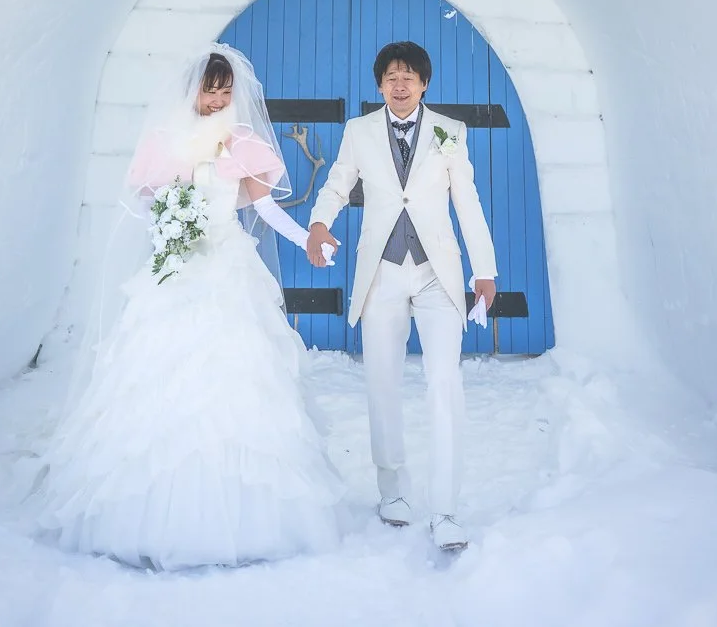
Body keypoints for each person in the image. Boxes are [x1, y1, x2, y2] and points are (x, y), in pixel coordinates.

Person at [34, 45, 343, 568]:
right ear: (193, 90)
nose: (217, 98)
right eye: (210, 89)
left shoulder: (242, 143)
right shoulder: (165, 142)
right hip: (177, 272)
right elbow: (147, 205)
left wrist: (308, 240)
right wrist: (171, 229)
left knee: (236, 380)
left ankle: (248, 520)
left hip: (228, 271)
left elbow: (265, 209)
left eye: (225, 90)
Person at [306, 41, 498, 552]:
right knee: (382, 381)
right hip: (383, 273)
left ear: (424, 83)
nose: (400, 83)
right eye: (391, 75)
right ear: (379, 84)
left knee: (443, 384)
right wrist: (319, 223)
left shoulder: (449, 133)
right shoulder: (359, 131)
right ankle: (391, 491)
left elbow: (469, 204)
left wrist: (485, 269)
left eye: (408, 75)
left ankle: (447, 508)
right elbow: (337, 183)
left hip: (438, 275)